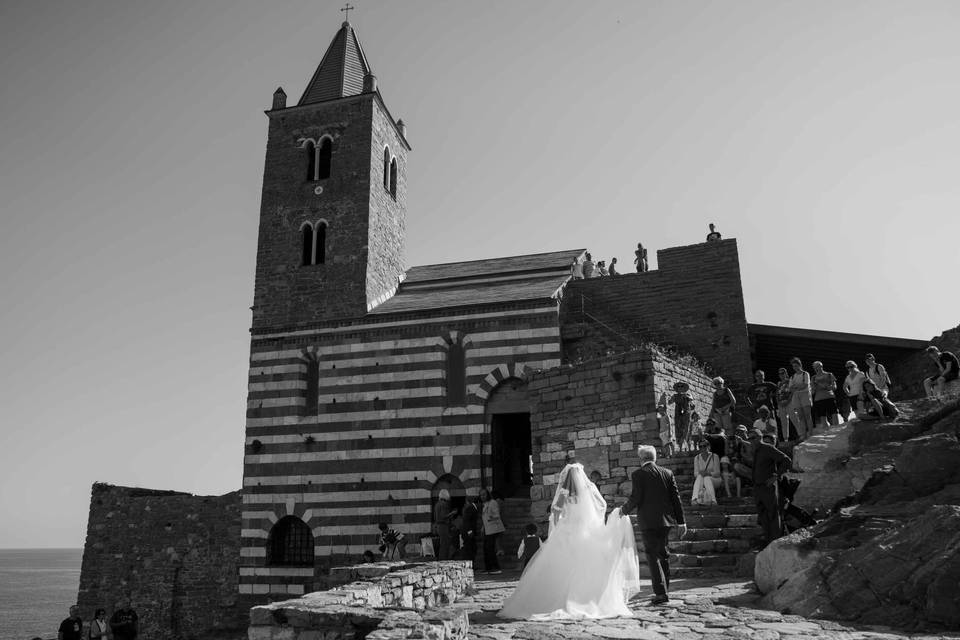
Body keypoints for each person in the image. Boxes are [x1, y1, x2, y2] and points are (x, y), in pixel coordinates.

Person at [498, 463, 640, 619]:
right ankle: (584, 597)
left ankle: (559, 596)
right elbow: (602, 504)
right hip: (586, 531)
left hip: (568, 529)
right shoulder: (589, 488)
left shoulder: (565, 491)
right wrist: (595, 519)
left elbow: (556, 510)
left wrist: (558, 524)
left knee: (561, 564)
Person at [620, 445, 687, 605]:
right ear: (654, 457)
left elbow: (636, 497)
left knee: (652, 556)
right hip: (666, 522)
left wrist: (623, 510)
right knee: (663, 554)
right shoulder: (667, 473)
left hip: (648, 522)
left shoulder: (638, 474)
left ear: (641, 458)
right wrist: (682, 521)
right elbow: (676, 499)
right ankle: (665, 589)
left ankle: (661, 593)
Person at [752, 433, 792, 547]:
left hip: (768, 487)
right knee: (763, 515)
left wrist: (775, 476)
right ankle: (769, 541)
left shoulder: (767, 448)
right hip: (758, 487)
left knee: (773, 514)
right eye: (749, 438)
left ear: (759, 437)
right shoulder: (756, 450)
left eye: (753, 437)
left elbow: (786, 461)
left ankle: (776, 542)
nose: (751, 440)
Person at [787, 358, 813, 440]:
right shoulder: (792, 377)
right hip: (796, 397)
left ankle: (811, 434)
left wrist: (795, 387)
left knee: (807, 415)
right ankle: (804, 434)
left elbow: (805, 385)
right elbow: (790, 388)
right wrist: (798, 387)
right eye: (793, 366)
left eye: (796, 365)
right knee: (800, 416)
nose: (795, 368)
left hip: (805, 395)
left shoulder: (805, 374)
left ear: (800, 365)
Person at [480, 488, 505, 574]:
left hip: (493, 528)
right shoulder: (484, 504)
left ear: (487, 494)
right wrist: (483, 526)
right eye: (481, 495)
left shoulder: (493, 502)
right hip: (487, 529)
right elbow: (484, 517)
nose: (482, 496)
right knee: (485, 548)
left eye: (484, 494)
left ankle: (496, 568)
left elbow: (497, 515)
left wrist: (491, 518)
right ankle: (488, 568)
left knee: (490, 548)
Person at [810, 360, 839, 429]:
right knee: (822, 416)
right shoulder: (813, 378)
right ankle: (826, 430)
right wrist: (815, 386)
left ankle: (837, 429)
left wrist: (829, 387)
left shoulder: (829, 374)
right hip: (819, 399)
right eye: (814, 367)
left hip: (829, 397)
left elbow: (835, 386)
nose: (816, 368)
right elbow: (813, 390)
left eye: (817, 366)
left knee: (834, 413)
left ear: (821, 366)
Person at [691, 440, 721, 506]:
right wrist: (701, 473)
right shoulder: (697, 458)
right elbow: (695, 473)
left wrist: (708, 473)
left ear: (708, 447)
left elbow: (718, 473)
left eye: (704, 446)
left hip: (715, 480)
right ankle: (694, 499)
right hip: (701, 480)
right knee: (700, 476)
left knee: (707, 478)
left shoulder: (714, 456)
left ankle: (713, 500)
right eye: (700, 446)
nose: (702, 448)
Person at [668, 382, 694, 451]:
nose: (680, 388)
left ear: (684, 388)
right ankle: (680, 446)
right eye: (679, 387)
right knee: (678, 428)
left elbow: (692, 403)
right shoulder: (675, 396)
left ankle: (687, 445)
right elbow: (669, 402)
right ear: (677, 388)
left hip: (686, 413)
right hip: (678, 413)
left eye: (681, 386)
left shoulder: (688, 394)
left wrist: (687, 398)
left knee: (686, 428)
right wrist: (669, 399)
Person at [432, 490, 455, 560]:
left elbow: (436, 517)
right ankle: (444, 560)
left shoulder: (437, 504)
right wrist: (452, 513)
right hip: (443, 526)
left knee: (442, 544)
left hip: (438, 526)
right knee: (445, 545)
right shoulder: (444, 504)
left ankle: (441, 560)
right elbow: (443, 516)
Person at [775, 367, 797, 441]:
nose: (781, 375)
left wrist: (788, 401)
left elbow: (792, 392)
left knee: (794, 419)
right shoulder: (779, 383)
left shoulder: (790, 381)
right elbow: (777, 394)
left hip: (789, 402)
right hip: (781, 404)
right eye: (780, 373)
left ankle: (801, 434)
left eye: (783, 373)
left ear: (786, 373)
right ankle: (786, 439)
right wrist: (779, 403)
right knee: (784, 422)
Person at [459, 494, 479, 562]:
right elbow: (466, 521)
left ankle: (470, 563)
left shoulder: (471, 508)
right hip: (467, 532)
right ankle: (468, 564)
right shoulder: (471, 508)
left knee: (471, 548)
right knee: (469, 548)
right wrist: (470, 531)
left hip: (467, 531)